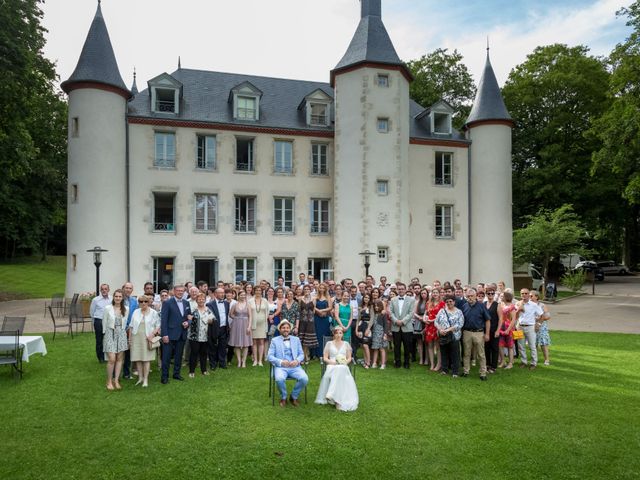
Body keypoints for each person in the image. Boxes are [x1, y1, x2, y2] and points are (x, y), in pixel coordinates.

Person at [315, 327, 359, 411]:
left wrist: (344, 362)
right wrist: (333, 362)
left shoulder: (346, 344)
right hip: (332, 365)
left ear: (343, 334)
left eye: (340, 333)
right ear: (334, 334)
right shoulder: (329, 343)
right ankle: (336, 400)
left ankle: (332, 395)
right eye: (337, 333)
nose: (338, 335)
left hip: (343, 365)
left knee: (340, 368)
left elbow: (349, 358)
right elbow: (325, 358)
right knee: (338, 369)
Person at [267, 320, 309, 407]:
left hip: (295, 367)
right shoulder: (274, 340)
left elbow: (301, 354)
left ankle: (294, 396)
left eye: (287, 328)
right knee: (279, 379)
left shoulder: (296, 339)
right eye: (283, 328)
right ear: (280, 329)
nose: (285, 329)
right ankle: (284, 397)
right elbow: (269, 356)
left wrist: (297, 361)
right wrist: (281, 362)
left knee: (304, 379)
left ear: (290, 329)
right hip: (280, 367)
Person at [160, 284, 191, 384]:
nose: (180, 292)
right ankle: (164, 377)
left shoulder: (186, 303)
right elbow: (163, 320)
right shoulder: (167, 303)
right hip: (169, 334)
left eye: (182, 291)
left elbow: (189, 317)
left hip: (182, 333)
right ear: (173, 291)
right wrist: (164, 335)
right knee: (166, 357)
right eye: (178, 290)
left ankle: (176, 374)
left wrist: (188, 323)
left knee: (179, 356)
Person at [128, 294, 160, 387]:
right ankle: (140, 378)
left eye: (145, 301)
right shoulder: (135, 312)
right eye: (141, 301)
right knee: (138, 358)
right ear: (139, 303)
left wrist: (152, 334)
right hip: (136, 338)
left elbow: (158, 325)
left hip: (147, 338)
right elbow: (131, 326)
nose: (143, 303)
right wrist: (129, 339)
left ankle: (145, 379)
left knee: (146, 359)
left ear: (149, 302)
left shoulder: (153, 312)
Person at [461, 288, 491, 381]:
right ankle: (466, 371)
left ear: (475, 296)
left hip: (479, 332)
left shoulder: (481, 306)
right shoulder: (464, 306)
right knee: (466, 353)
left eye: (472, 296)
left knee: (481, 354)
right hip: (467, 332)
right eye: (468, 296)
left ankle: (483, 373)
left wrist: (487, 334)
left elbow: (487, 320)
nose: (470, 298)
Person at [102, 289, 129, 390]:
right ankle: (108, 381)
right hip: (110, 333)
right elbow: (104, 322)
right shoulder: (108, 308)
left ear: (122, 298)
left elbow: (125, 322)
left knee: (119, 359)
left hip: (121, 334)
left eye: (120, 296)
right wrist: (105, 335)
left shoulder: (126, 309)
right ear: (113, 297)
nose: (118, 298)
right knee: (112, 359)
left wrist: (122, 334)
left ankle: (116, 380)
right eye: (116, 296)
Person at [435, 295, 464, 377]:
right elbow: (436, 322)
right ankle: (444, 370)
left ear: (454, 302)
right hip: (443, 335)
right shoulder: (442, 311)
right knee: (444, 353)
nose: (449, 303)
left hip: (454, 336)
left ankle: (455, 372)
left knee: (455, 354)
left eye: (451, 301)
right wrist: (440, 329)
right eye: (447, 302)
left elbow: (460, 324)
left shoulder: (459, 312)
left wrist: (448, 330)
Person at [188, 292, 215, 377]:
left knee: (203, 353)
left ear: (205, 300)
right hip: (194, 336)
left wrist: (211, 320)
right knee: (194, 353)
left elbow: (213, 320)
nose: (201, 300)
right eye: (199, 299)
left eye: (203, 299)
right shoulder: (193, 310)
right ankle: (191, 371)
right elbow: (188, 321)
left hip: (205, 336)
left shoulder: (208, 309)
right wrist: (189, 319)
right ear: (196, 300)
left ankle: (204, 370)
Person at [515, 288, 544, 370]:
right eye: (522, 293)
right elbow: (514, 317)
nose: (524, 295)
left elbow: (542, 315)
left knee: (532, 346)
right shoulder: (518, 304)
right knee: (520, 345)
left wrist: (538, 324)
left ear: (529, 295)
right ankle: (523, 361)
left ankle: (533, 363)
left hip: (530, 327)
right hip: (519, 326)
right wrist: (518, 310)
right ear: (520, 295)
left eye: (526, 293)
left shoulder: (534, 305)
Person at [389, 283, 415, 369]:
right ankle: (397, 362)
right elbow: (391, 312)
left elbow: (411, 313)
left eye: (402, 289)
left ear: (405, 289)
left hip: (407, 326)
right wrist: (396, 321)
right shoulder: (393, 300)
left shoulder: (411, 300)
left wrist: (403, 321)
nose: (401, 290)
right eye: (399, 289)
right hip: (395, 326)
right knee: (396, 346)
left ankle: (406, 363)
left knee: (407, 346)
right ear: (397, 290)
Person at [206, 287, 230, 370]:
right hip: (214, 328)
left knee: (223, 346)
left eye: (223, 293)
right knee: (212, 346)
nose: (222, 294)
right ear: (215, 294)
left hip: (224, 327)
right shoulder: (209, 304)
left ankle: (222, 363)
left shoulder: (227, 303)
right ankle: (213, 364)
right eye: (220, 293)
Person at [295, 285, 318, 363]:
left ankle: (306, 356)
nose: (306, 290)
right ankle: (302, 357)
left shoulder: (314, 299)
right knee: (302, 339)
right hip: (302, 321)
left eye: (308, 289)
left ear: (310, 290)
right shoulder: (300, 299)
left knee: (307, 340)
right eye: (305, 289)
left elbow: (314, 310)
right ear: (303, 290)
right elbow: (299, 310)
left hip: (310, 321)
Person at [229, 290, 252, 368]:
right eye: (241, 295)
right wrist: (236, 318)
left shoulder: (248, 304)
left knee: (246, 344)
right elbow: (230, 314)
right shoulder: (235, 304)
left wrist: (249, 326)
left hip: (245, 324)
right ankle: (239, 361)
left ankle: (244, 361)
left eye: (244, 295)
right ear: (238, 296)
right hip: (236, 325)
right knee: (237, 344)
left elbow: (250, 316)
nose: (243, 296)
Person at [89, 283, 111, 363]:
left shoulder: (111, 299)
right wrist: (95, 322)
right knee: (99, 340)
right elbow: (91, 312)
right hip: (99, 321)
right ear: (100, 290)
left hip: (108, 322)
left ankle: (108, 356)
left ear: (108, 290)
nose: (104, 290)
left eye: (106, 289)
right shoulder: (96, 300)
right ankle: (100, 357)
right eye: (102, 289)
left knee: (108, 339)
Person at [424, 288, 444, 372]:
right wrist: (424, 318)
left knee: (438, 346)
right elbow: (426, 313)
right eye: (433, 293)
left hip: (437, 326)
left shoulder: (442, 304)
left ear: (439, 294)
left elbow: (442, 316)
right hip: (429, 326)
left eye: (436, 292)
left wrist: (433, 320)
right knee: (430, 345)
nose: (435, 294)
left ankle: (438, 364)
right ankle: (432, 364)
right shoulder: (428, 303)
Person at [248, 286, 268, 366]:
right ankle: (255, 360)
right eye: (256, 290)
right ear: (254, 291)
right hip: (253, 323)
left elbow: (267, 311)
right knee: (254, 342)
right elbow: (249, 313)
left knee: (261, 342)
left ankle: (260, 361)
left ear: (261, 291)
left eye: (259, 290)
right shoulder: (250, 301)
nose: (258, 292)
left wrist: (265, 320)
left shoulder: (265, 300)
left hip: (262, 324)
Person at [122, 282, 138, 379]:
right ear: (123, 288)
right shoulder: (118, 299)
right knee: (119, 353)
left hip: (130, 329)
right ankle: (115, 373)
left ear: (132, 290)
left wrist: (130, 327)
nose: (128, 290)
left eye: (130, 288)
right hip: (120, 329)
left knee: (128, 352)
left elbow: (135, 314)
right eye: (126, 288)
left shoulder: (134, 301)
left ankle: (126, 373)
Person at [531, 291, 552, 366]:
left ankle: (547, 360)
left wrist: (538, 320)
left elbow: (548, 316)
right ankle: (534, 359)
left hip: (542, 327)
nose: (530, 298)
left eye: (531, 296)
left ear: (536, 297)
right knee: (533, 344)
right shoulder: (529, 305)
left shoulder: (542, 305)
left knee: (543, 343)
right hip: (531, 326)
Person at [313, 283, 333, 357]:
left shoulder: (328, 297)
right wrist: (319, 311)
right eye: (320, 288)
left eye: (323, 288)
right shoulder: (315, 297)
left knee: (325, 334)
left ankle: (325, 353)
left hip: (325, 319)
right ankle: (317, 353)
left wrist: (323, 310)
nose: (321, 289)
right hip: (317, 318)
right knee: (317, 335)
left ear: (325, 289)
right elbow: (313, 307)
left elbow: (330, 307)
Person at [498, 290, 517, 369]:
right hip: (501, 327)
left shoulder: (512, 307)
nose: (501, 297)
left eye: (503, 296)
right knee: (500, 345)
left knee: (510, 346)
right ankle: (503, 361)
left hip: (509, 328)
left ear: (506, 297)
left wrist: (508, 330)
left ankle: (510, 363)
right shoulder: (502, 305)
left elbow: (513, 320)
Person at [484, 287, 500, 373]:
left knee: (494, 348)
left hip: (494, 329)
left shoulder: (497, 305)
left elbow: (501, 319)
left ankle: (493, 366)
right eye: (488, 293)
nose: (490, 295)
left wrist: (498, 330)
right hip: (485, 330)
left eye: (492, 293)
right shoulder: (484, 304)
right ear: (486, 294)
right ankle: (487, 364)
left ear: (494, 294)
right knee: (486, 347)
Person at [369, 299, 389, 369]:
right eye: (375, 306)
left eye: (378, 306)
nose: (376, 307)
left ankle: (383, 364)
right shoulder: (374, 314)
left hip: (381, 333)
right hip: (375, 333)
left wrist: (385, 334)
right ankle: (374, 363)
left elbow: (386, 325)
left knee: (382, 349)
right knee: (375, 348)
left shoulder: (383, 314)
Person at [356, 293, 372, 368]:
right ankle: (365, 361)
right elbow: (358, 319)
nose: (366, 299)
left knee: (366, 345)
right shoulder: (361, 307)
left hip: (367, 326)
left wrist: (368, 329)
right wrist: (356, 330)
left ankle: (368, 363)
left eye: (368, 298)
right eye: (365, 297)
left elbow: (372, 319)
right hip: (360, 326)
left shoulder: (371, 307)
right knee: (362, 345)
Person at [413, 289, 428, 366]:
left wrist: (425, 319)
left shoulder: (429, 302)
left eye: (425, 293)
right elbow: (414, 313)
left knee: (426, 342)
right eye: (422, 293)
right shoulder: (418, 302)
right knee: (420, 342)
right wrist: (420, 318)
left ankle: (426, 359)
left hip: (427, 322)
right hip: (419, 321)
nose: (423, 294)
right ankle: (421, 359)